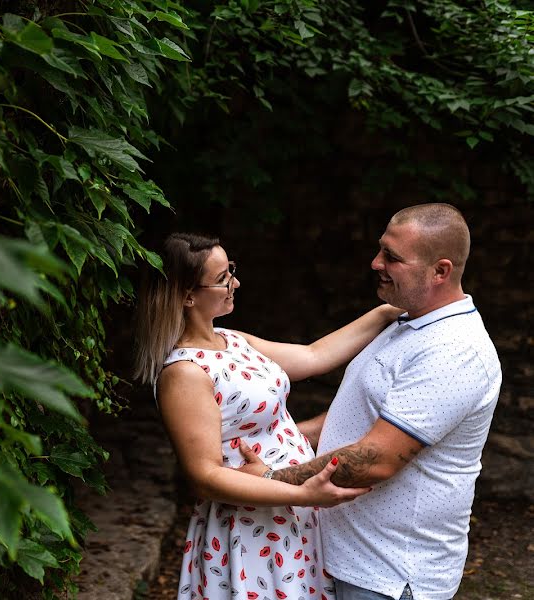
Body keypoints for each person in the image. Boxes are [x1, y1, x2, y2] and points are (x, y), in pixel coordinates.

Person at [239, 203, 502, 600]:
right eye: (381, 249)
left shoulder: (454, 350)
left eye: (392, 257)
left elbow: (376, 458)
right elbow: (355, 417)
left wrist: (271, 481)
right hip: (348, 558)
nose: (375, 262)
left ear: (440, 271)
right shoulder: (408, 322)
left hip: (389, 575)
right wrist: (273, 442)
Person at [133, 232, 402, 600]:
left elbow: (313, 356)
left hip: (290, 512)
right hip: (250, 524)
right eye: (222, 278)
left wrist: (388, 311)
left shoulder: (233, 341)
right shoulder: (184, 373)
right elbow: (205, 476)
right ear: (187, 296)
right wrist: (305, 494)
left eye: (231, 270)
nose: (235, 283)